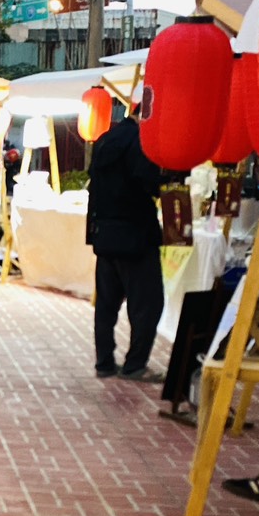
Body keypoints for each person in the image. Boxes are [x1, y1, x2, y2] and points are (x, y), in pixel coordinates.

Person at [85, 111, 165, 380]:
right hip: (135, 235)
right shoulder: (141, 141)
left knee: (106, 306)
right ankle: (135, 364)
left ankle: (104, 362)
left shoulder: (105, 140)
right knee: (147, 305)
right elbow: (150, 183)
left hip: (105, 235)